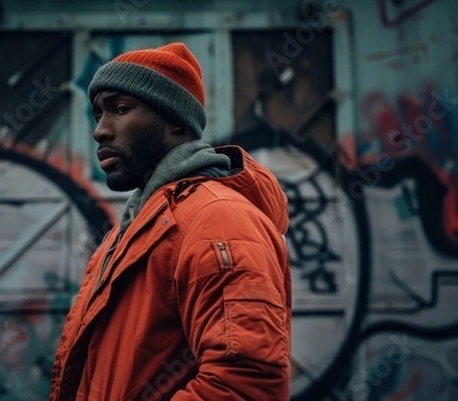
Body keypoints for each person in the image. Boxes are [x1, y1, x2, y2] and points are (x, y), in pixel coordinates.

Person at [48, 42, 291, 401]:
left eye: (120, 109)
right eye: (98, 113)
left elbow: (246, 384)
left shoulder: (218, 220)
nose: (100, 130)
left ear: (177, 120)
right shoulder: (137, 225)